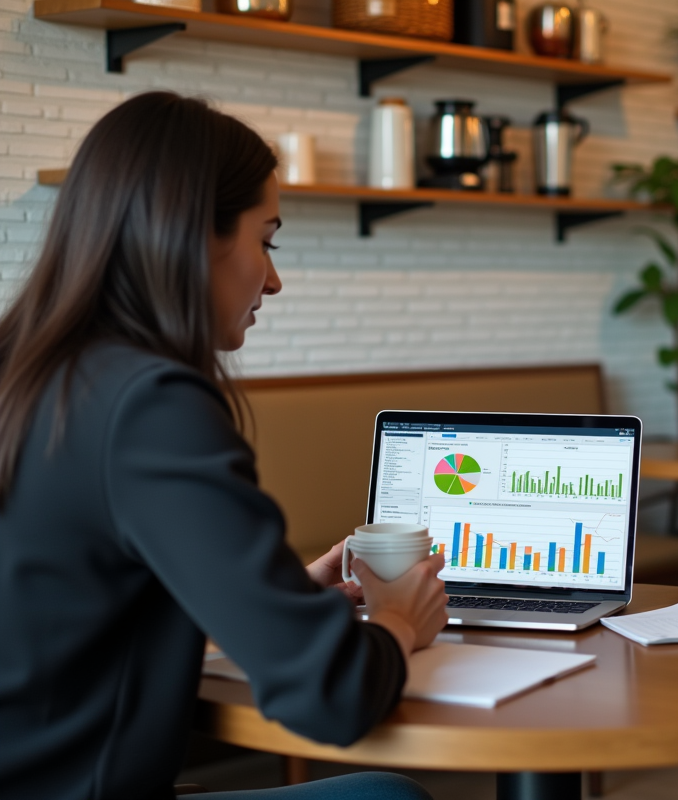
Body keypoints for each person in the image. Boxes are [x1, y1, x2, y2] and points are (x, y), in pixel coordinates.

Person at [0, 92, 449, 800]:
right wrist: (398, 623)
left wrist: (284, 595)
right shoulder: (149, 404)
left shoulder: (29, 371)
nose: (273, 278)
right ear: (191, 233)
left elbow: (82, 609)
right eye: (265, 241)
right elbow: (328, 696)